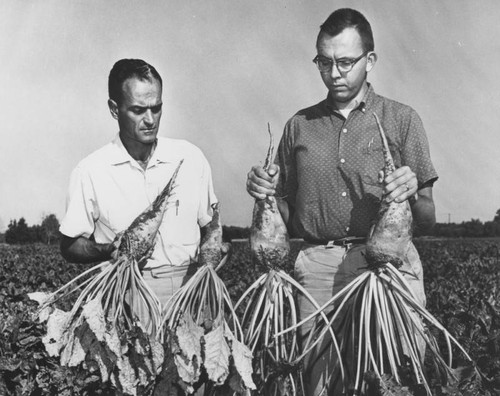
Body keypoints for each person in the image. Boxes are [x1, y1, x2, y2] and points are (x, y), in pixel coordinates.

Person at [246, 8, 438, 396]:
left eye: (345, 62)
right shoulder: (299, 126)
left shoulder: (402, 120)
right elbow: (289, 215)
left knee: (391, 378)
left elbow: (429, 219)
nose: (334, 73)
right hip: (317, 268)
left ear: (370, 61)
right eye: (324, 62)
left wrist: (412, 192)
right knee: (321, 382)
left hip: (389, 268)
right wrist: (264, 196)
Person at [59, 58, 217, 318]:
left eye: (156, 108)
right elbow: (69, 245)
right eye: (138, 110)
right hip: (128, 291)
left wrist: (213, 250)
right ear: (114, 109)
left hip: (192, 290)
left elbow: (210, 224)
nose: (150, 119)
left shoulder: (190, 157)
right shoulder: (91, 170)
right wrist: (109, 249)